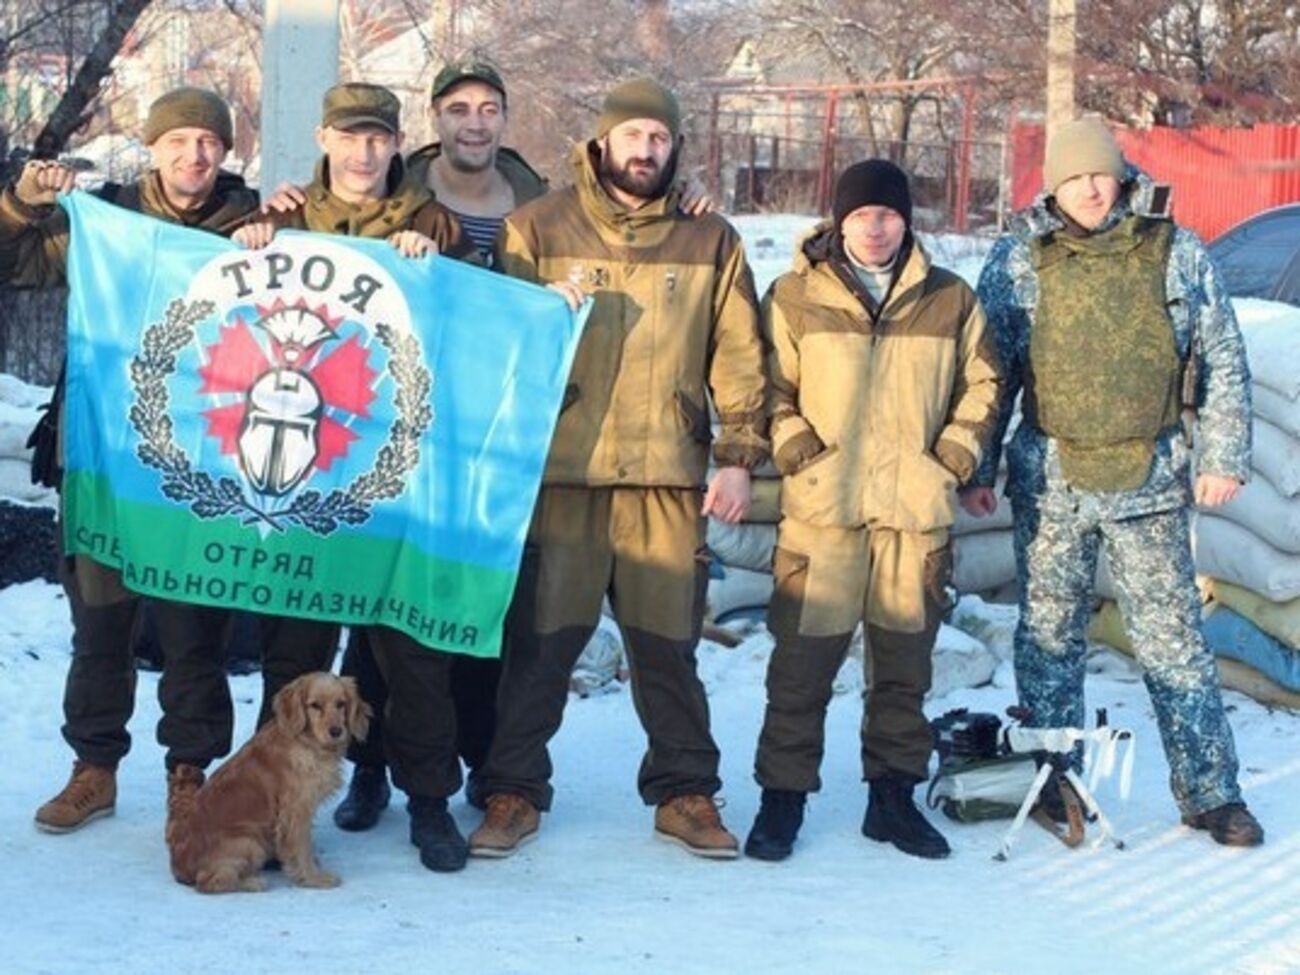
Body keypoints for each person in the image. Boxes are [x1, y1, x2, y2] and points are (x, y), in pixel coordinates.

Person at [0, 89, 336, 835]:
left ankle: (191, 770)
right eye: (179, 141)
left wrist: (292, 221)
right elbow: (13, 261)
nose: (195, 156)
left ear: (226, 151)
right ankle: (94, 767)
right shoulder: (107, 219)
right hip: (104, 454)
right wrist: (22, 202)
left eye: (209, 143)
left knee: (193, 634)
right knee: (103, 624)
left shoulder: (254, 223)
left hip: (204, 467)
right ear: (153, 148)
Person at [465, 77, 768, 860]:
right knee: (539, 647)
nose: (646, 150)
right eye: (632, 136)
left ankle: (686, 791)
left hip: (665, 478)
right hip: (561, 475)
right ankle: (512, 790)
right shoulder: (535, 227)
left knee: (667, 649)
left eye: (660, 138)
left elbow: (740, 358)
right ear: (601, 144)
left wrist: (736, 457)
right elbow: (493, 344)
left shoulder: (711, 239)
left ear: (675, 148)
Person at [974, 116, 1264, 847]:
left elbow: (1222, 355)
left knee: (1172, 642)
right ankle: (1052, 779)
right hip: (1053, 479)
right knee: (1047, 637)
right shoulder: (1018, 261)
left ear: (1122, 174)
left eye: (1099, 174)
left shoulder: (1174, 252)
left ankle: (1210, 793)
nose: (1090, 189)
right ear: (1054, 187)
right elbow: (989, 373)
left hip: (1149, 481)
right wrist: (979, 466)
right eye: (1073, 178)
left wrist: (1223, 456)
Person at [235, 81, 480, 873]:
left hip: (404, 473)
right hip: (308, 475)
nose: (365, 152)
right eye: (350, 136)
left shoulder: (431, 218)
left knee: (411, 655)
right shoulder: (289, 220)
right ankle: (275, 804)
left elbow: (484, 309)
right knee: (296, 652)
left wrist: (440, 265)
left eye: (378, 138)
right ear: (325, 138)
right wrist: (252, 239)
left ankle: (429, 801)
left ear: (396, 144)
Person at [743, 160, 1002, 862]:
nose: (876, 227)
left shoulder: (949, 299)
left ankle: (891, 800)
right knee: (800, 668)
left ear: (905, 219)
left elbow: (984, 383)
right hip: (823, 517)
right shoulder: (795, 297)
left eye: (888, 214)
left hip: (912, 517)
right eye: (862, 215)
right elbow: (767, 386)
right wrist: (803, 454)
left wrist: (947, 460)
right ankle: (782, 799)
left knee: (903, 670)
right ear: (840, 220)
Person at [329, 61, 550, 835]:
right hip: (387, 431)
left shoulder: (539, 203)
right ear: (434, 121)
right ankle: (369, 770)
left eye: (490, 108)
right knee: (375, 617)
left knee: (469, 608)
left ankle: (480, 769)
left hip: (488, 433)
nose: (475, 122)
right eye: (459, 109)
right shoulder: (405, 198)